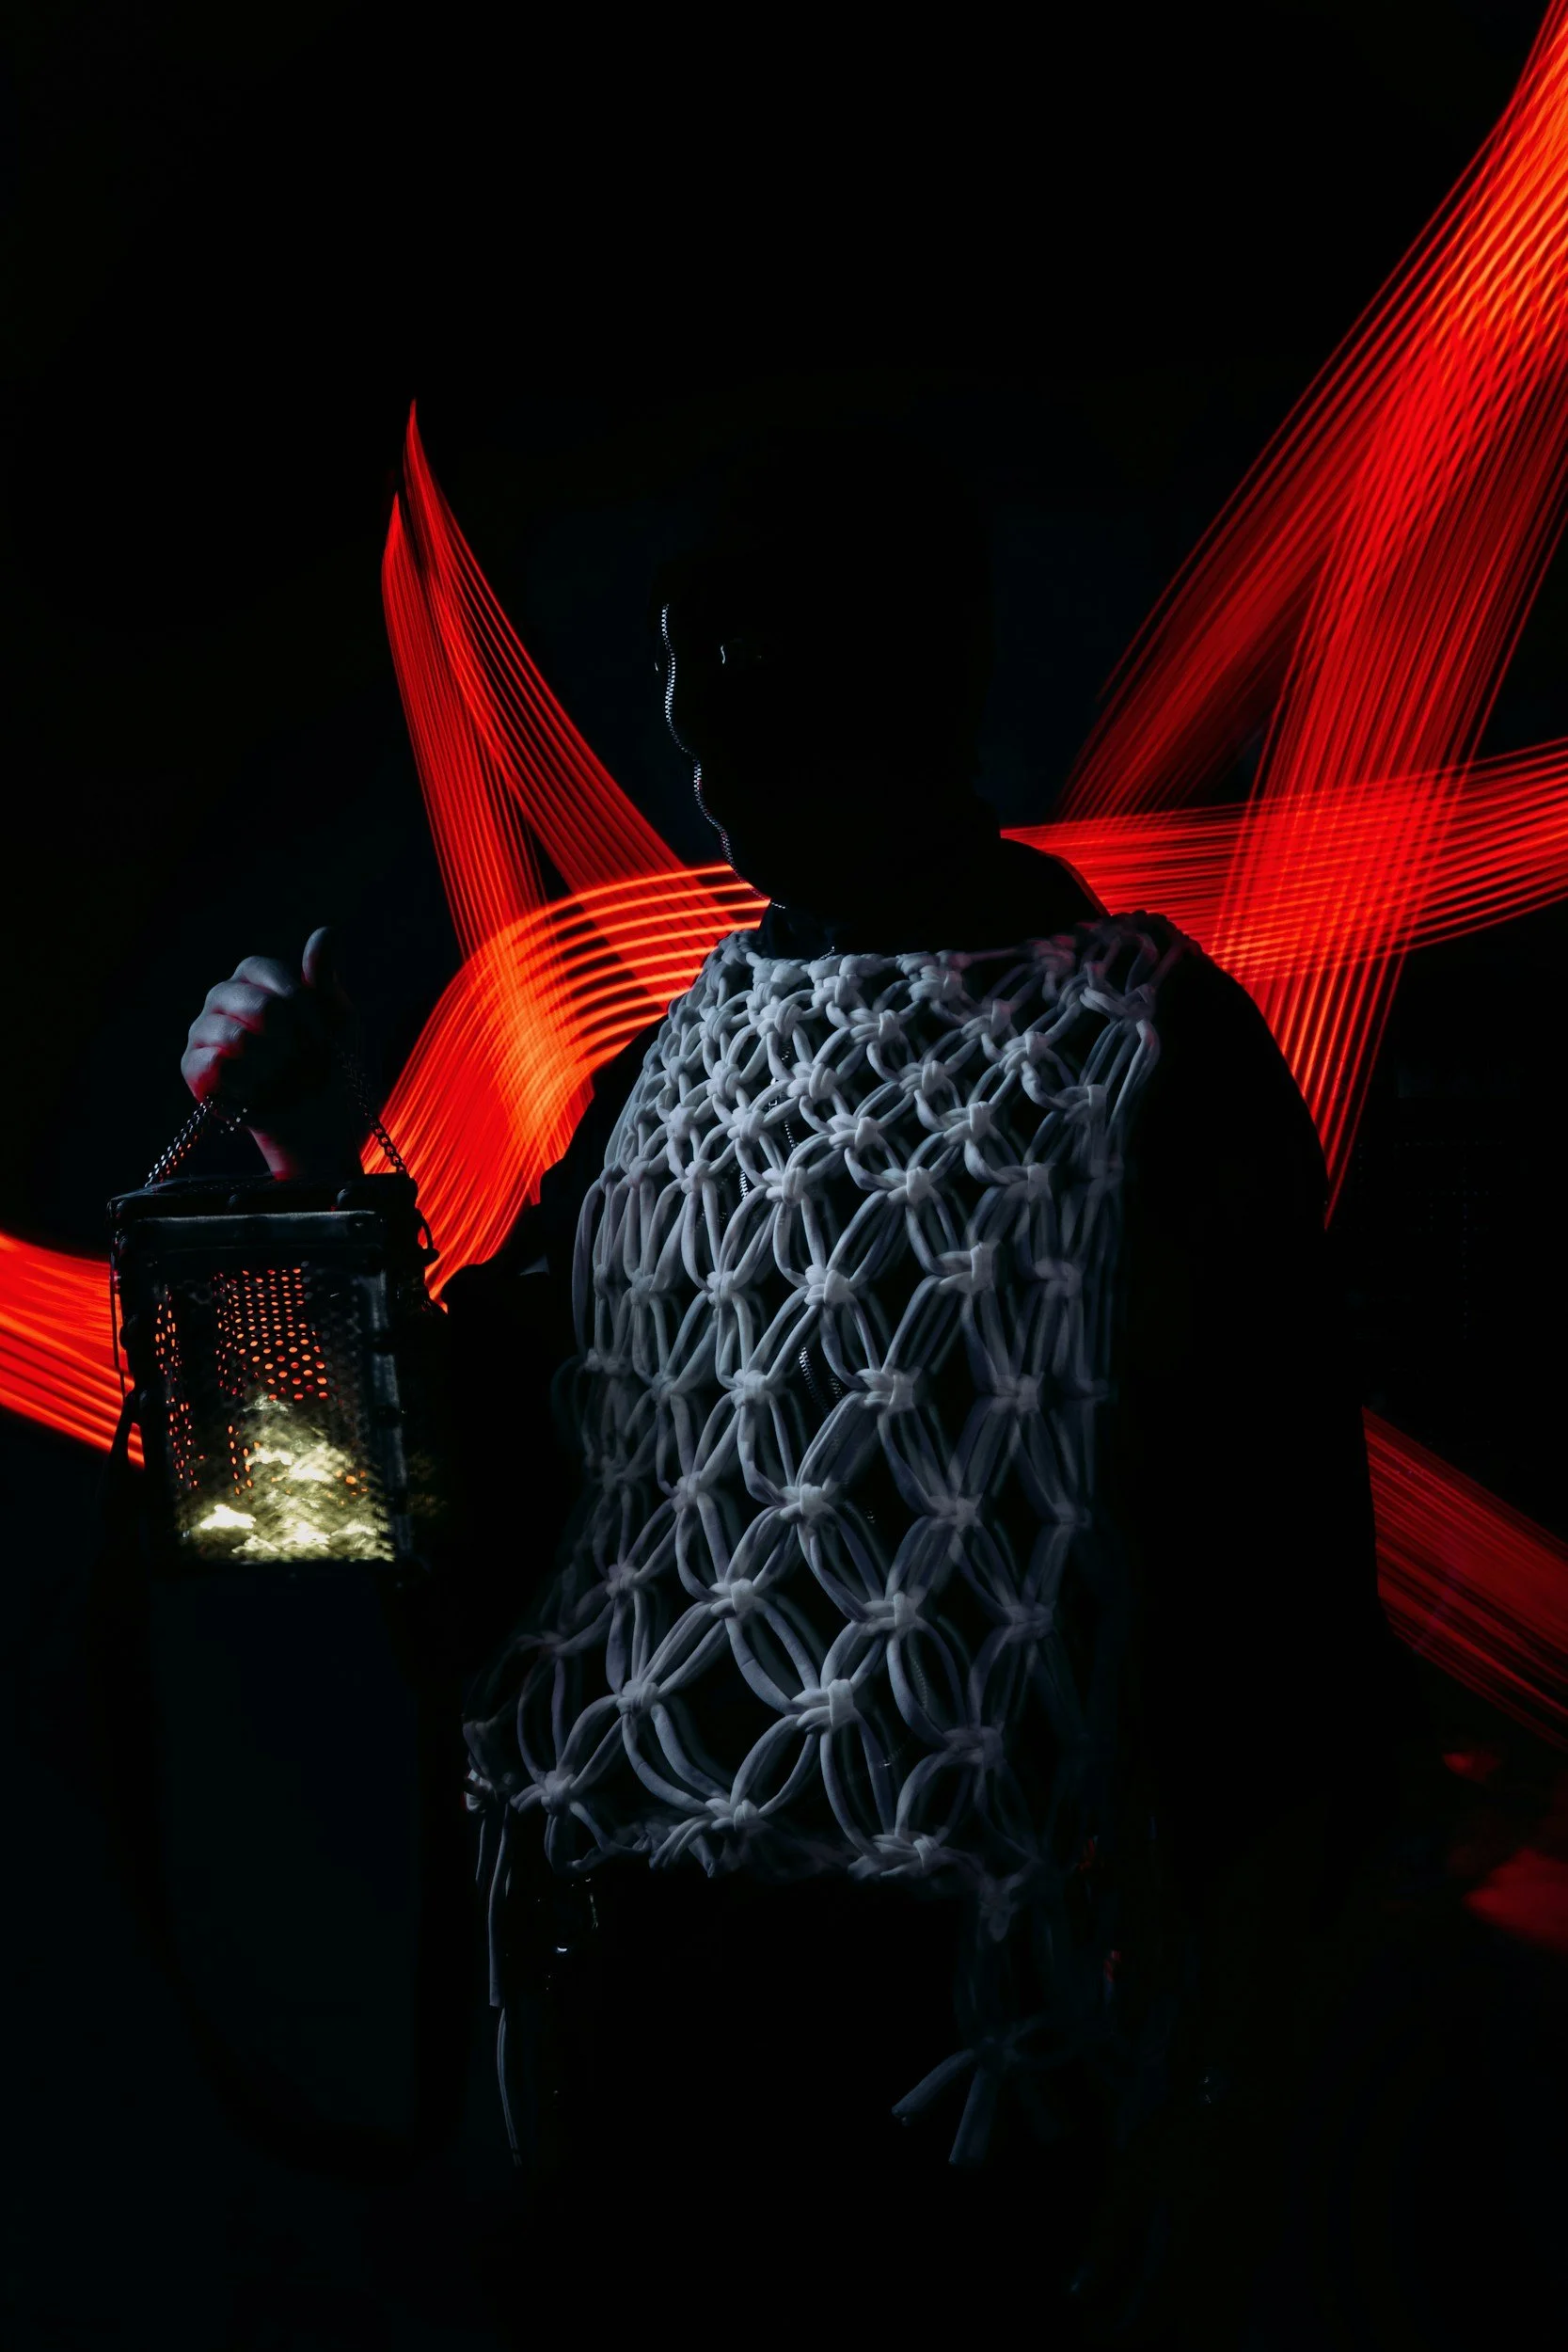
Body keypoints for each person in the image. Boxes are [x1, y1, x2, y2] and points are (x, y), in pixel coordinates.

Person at [182, 428, 1422, 2344]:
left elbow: (1297, 1682)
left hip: (960, 2127)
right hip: (628, 2096)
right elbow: (379, 1518)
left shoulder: (1147, 1052)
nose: (687, 707)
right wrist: (267, 1214)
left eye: (745, 643)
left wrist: (1224, 2122)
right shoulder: (667, 1078)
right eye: (681, 648)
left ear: (914, 657)